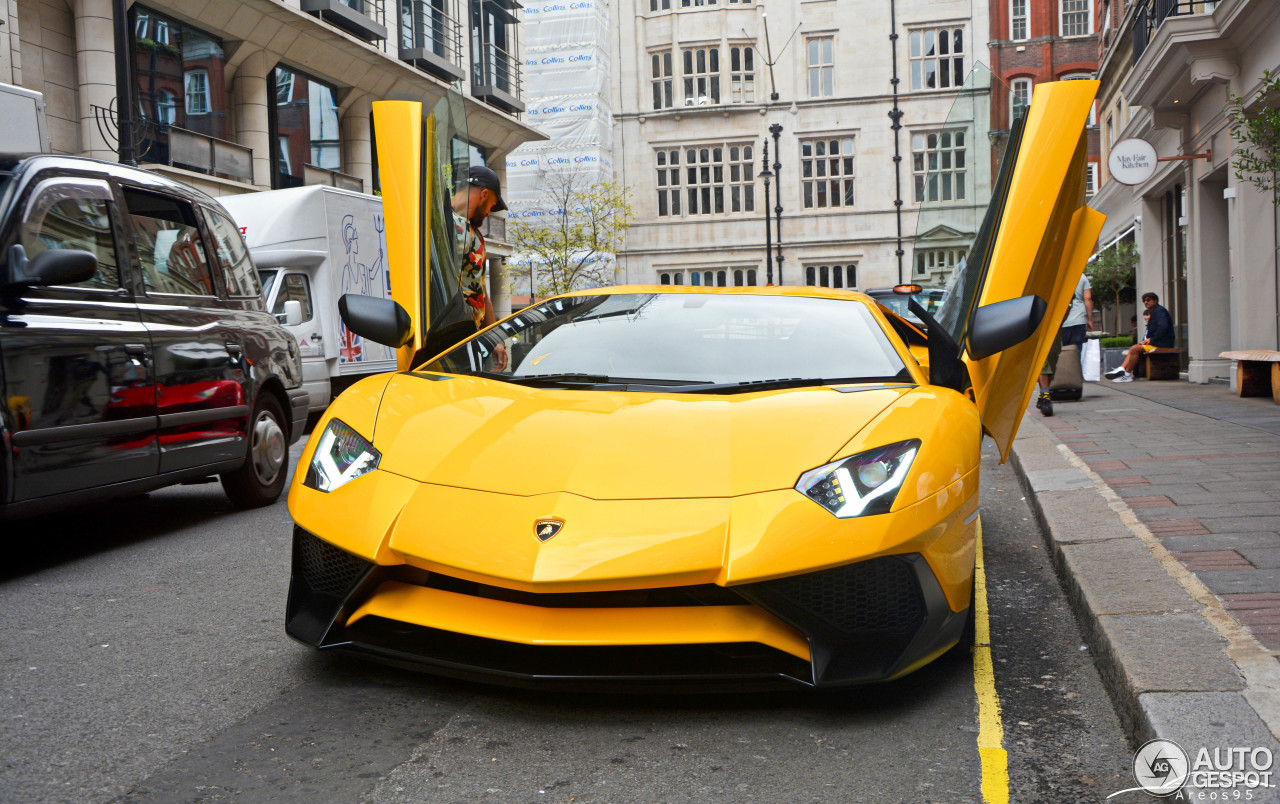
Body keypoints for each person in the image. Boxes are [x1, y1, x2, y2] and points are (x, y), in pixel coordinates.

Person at [451, 165, 508, 370]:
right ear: (484, 194)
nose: (489, 213)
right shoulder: (443, 225)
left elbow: (480, 292)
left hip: (468, 345)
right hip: (449, 345)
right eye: (491, 205)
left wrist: (495, 340)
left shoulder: (473, 233)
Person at [1106, 292, 1175, 382]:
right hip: (1157, 342)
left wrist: (1151, 339)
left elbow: (1163, 327)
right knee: (1134, 348)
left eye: (1148, 300)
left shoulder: (1160, 311)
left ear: (1155, 301)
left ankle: (1126, 375)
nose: (1146, 302)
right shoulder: (1154, 312)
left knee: (1135, 349)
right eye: (1144, 301)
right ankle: (1122, 369)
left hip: (1163, 343)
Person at [1060, 273, 1094, 350]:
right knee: (1076, 351)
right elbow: (1088, 298)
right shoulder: (1082, 277)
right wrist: (1090, 320)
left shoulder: (1061, 275)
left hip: (1062, 321)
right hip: (1079, 320)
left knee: (1062, 353)